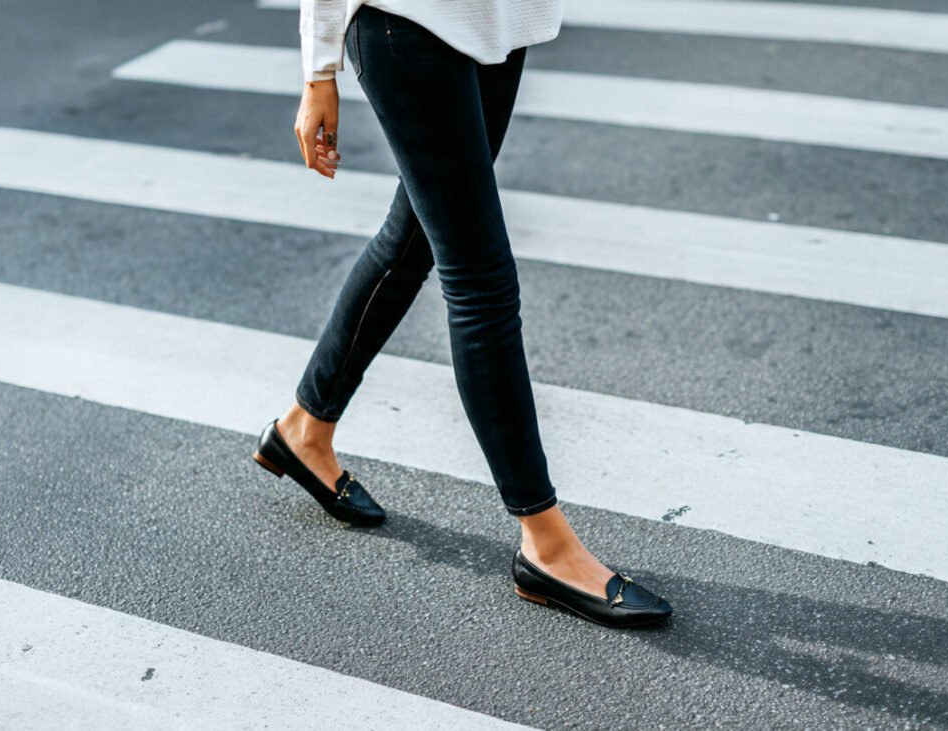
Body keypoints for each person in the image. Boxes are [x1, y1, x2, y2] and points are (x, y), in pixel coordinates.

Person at [251, 0, 672, 628]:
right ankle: (546, 544)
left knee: (412, 238)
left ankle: (305, 430)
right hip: (408, 22)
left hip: (497, 20)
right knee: (480, 280)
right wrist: (319, 72)